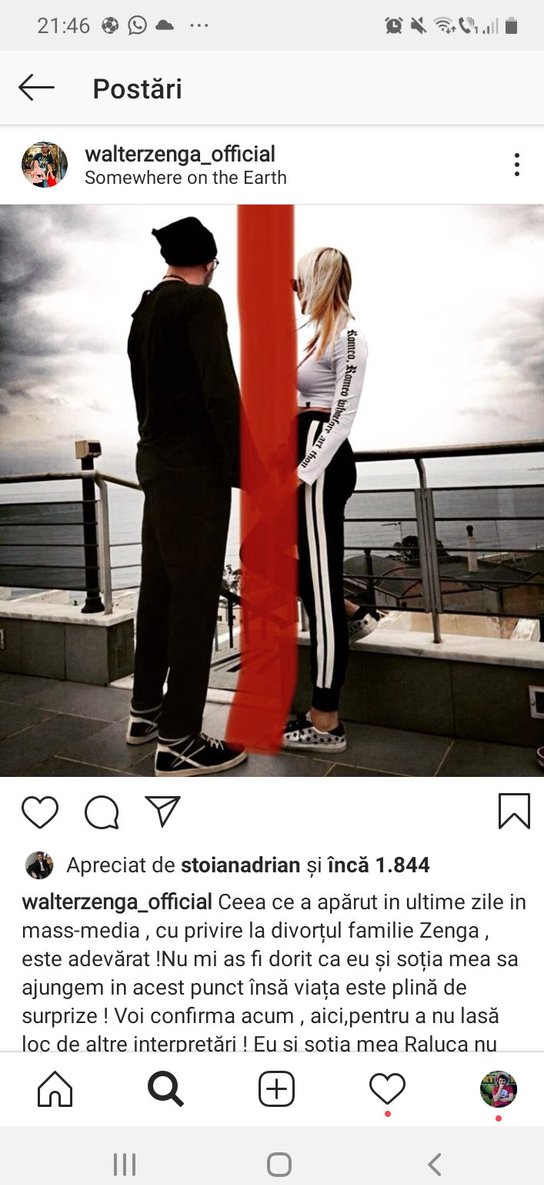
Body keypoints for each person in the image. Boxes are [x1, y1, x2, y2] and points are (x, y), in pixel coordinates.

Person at [127, 216, 247, 777]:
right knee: (195, 601)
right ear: (209, 262)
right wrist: (246, 469)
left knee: (157, 592)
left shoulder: (144, 311)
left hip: (155, 465)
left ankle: (145, 711)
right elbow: (219, 390)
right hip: (195, 475)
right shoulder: (202, 303)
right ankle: (179, 739)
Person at [283, 247, 368, 752]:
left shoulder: (349, 336)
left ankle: (325, 721)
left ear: (318, 281)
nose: (294, 290)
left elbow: (342, 414)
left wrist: (303, 472)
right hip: (302, 459)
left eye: (299, 281)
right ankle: (350, 610)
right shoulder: (314, 335)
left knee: (319, 595)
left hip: (318, 466)